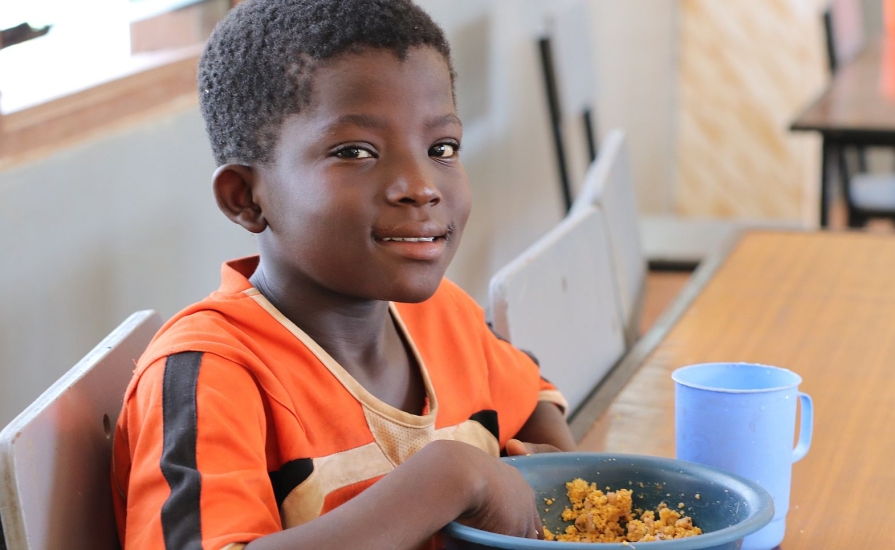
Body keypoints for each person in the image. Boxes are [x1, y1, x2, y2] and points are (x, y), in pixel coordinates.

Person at [110, 1, 576, 548]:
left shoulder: (444, 316)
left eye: (441, 148)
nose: (420, 185)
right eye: (356, 151)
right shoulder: (212, 373)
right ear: (246, 198)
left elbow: (535, 395)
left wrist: (554, 473)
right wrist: (453, 476)